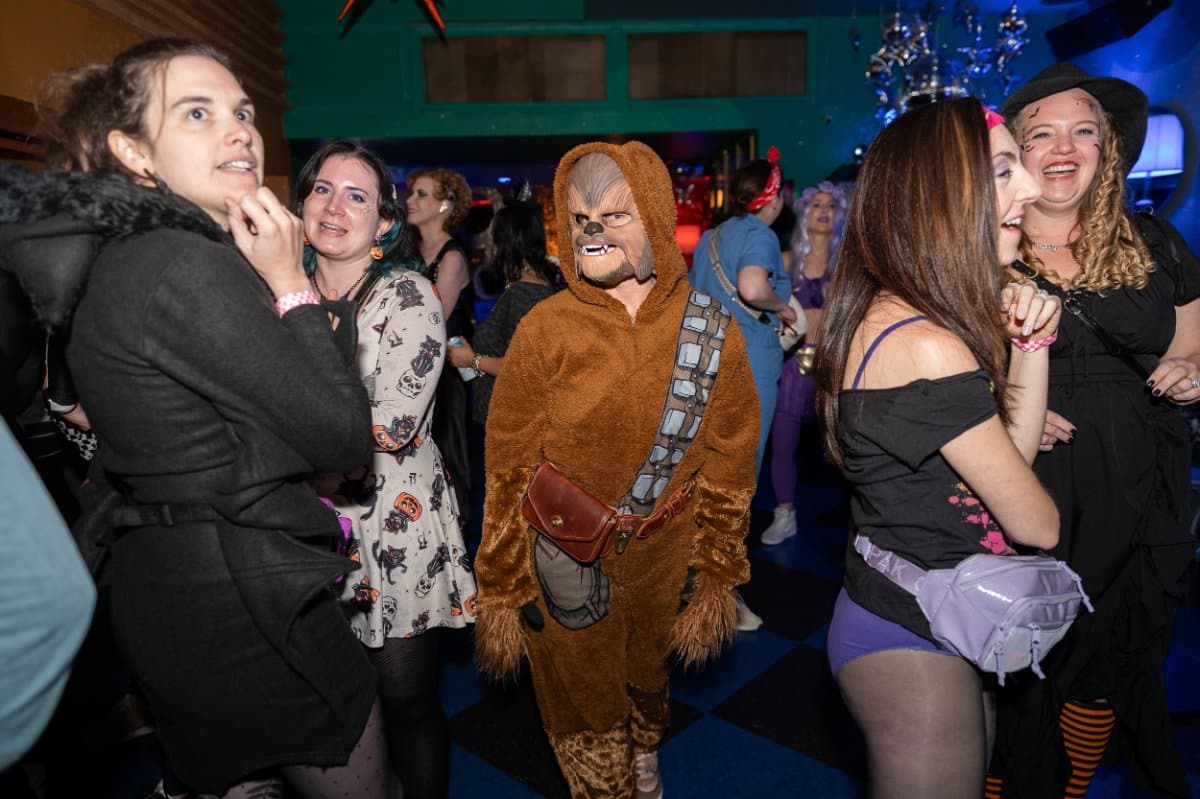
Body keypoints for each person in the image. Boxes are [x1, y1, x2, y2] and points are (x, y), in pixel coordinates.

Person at [2, 39, 388, 798]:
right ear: (133, 151)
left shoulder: (127, 250)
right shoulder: (183, 263)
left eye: (242, 112)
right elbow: (342, 434)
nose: (239, 129)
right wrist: (292, 282)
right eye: (197, 113)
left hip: (175, 585)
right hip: (246, 598)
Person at [473, 141, 758, 799]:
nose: (591, 229)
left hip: (665, 552)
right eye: (579, 217)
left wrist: (716, 566)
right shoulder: (545, 327)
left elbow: (731, 461)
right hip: (564, 555)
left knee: (647, 680)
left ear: (654, 218)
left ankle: (645, 751)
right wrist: (505, 579)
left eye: (614, 214)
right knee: (583, 702)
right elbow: (509, 461)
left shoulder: (712, 329)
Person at [815, 99, 1061, 799]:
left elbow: (1010, 460)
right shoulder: (926, 344)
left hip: (929, 607)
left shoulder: (906, 313)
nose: (1031, 188)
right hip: (910, 629)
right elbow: (1037, 522)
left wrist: (1032, 343)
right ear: (940, 194)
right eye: (1004, 170)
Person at [989, 64, 1200, 799]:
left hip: (1142, 483)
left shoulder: (1155, 242)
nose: (1064, 147)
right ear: (1013, 153)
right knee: (1022, 671)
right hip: (1032, 490)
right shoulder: (982, 249)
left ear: (1106, 149)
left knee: (1115, 663)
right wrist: (1001, 403)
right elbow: (933, 364)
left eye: (1083, 131)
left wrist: (1192, 370)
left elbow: (1191, 341)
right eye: (1041, 133)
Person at [297, 139, 477, 799]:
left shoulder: (407, 295)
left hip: (390, 524)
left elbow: (391, 427)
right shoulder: (277, 294)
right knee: (328, 699)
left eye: (357, 196)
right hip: (298, 525)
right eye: (322, 189)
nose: (334, 207)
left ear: (383, 224)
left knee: (407, 700)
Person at [688, 148, 799, 630]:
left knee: (705, 476)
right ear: (772, 199)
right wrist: (783, 307)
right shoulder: (760, 235)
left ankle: (694, 581)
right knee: (736, 483)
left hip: (706, 363)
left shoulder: (710, 237)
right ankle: (720, 597)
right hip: (748, 364)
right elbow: (753, 288)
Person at [761, 181, 848, 545]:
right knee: (782, 443)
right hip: (792, 363)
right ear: (804, 213)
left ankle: (866, 523)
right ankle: (785, 515)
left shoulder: (847, 262)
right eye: (816, 205)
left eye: (830, 205)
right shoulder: (786, 262)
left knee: (853, 447)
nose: (823, 211)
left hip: (835, 367)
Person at [446, 200, 559, 426]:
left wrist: (472, 360)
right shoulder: (524, 288)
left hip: (514, 424)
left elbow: (527, 366)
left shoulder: (525, 294)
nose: (488, 244)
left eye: (492, 237)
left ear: (506, 242)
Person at [406, 167, 474, 522]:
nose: (410, 201)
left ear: (445, 205)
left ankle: (451, 534)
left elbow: (432, 322)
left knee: (445, 458)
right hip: (412, 367)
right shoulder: (409, 252)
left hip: (444, 376)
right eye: (412, 193)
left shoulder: (452, 257)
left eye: (422, 194)